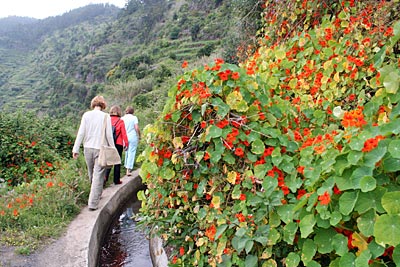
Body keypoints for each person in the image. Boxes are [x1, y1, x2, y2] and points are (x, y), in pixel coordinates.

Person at [72, 95, 114, 211]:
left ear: (93, 104)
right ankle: (93, 203)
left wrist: (75, 149)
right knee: (97, 175)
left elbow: (81, 133)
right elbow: (109, 135)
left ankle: (95, 196)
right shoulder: (106, 116)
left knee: (92, 174)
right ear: (103, 105)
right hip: (100, 149)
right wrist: (113, 148)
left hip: (87, 149)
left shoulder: (86, 115)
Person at [104, 105, 129, 186]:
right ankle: (116, 180)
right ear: (119, 112)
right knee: (117, 162)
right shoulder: (120, 121)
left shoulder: (108, 120)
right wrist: (126, 144)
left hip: (109, 143)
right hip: (118, 144)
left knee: (109, 161)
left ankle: (105, 177)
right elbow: (124, 134)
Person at [121, 106, 141, 176]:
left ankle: (126, 167)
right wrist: (139, 136)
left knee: (126, 152)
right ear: (133, 111)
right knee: (131, 152)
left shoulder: (122, 118)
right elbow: (136, 127)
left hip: (124, 137)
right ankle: (128, 169)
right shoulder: (134, 118)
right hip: (132, 137)